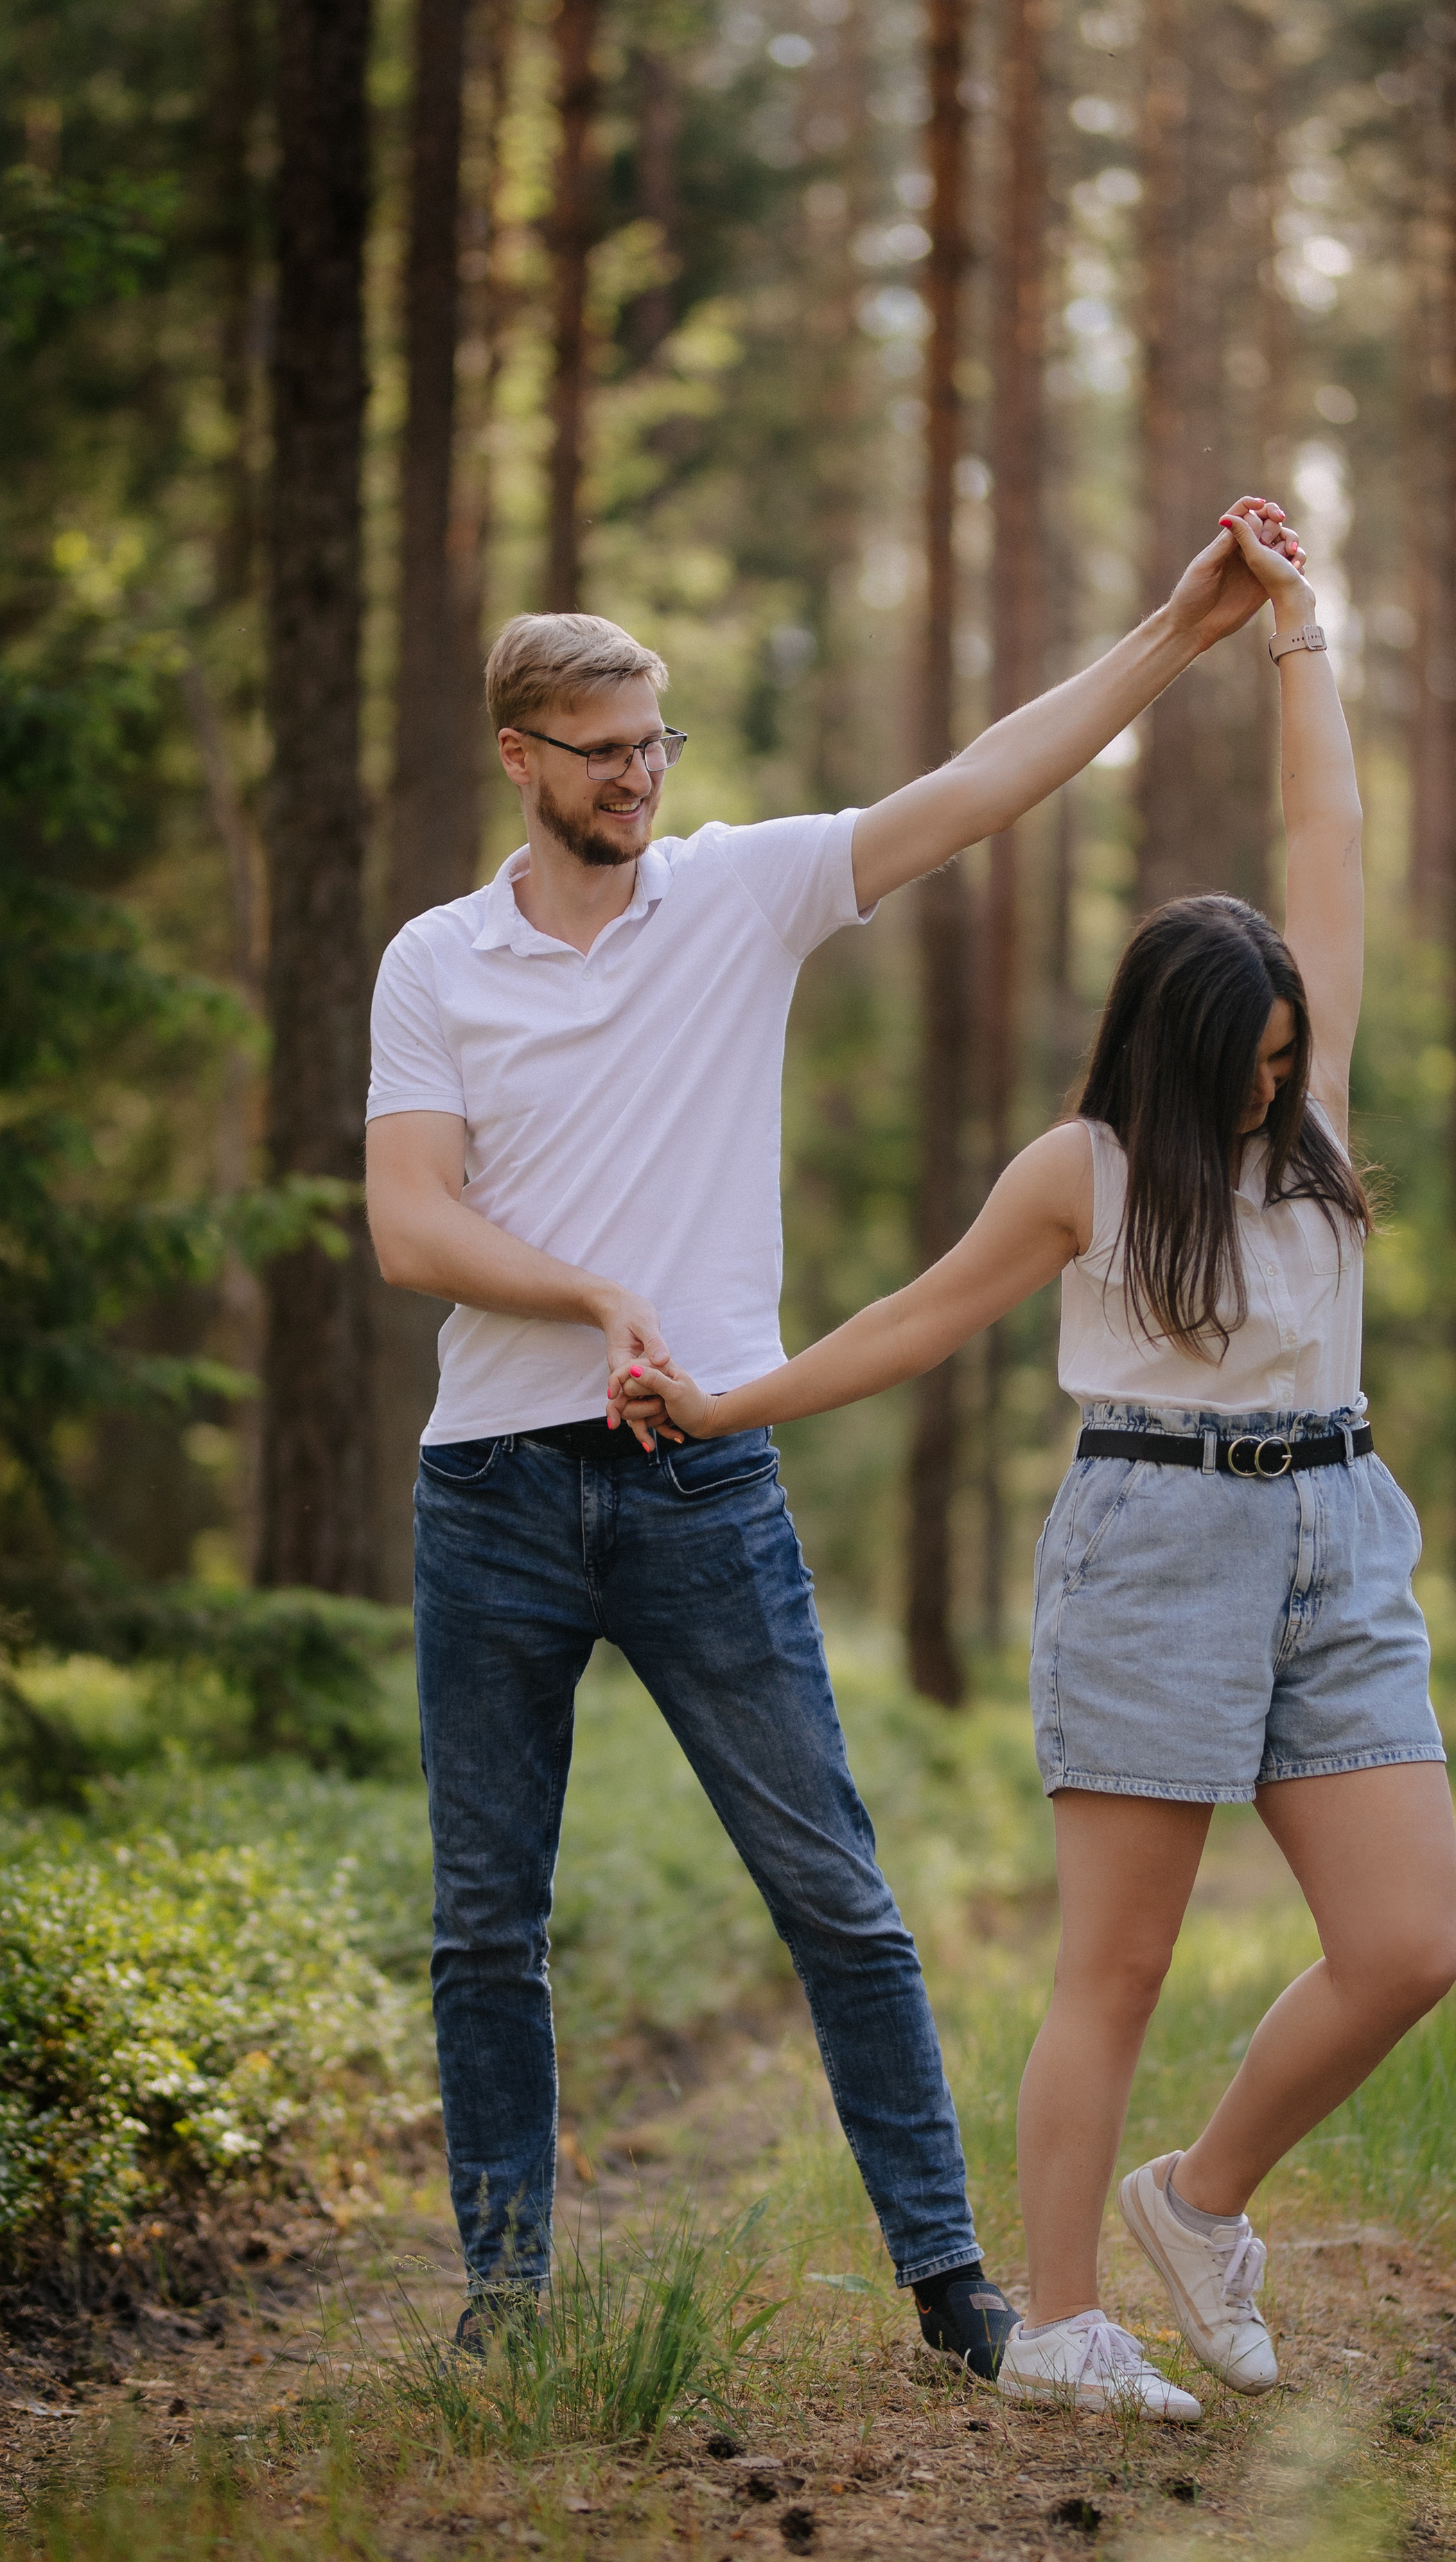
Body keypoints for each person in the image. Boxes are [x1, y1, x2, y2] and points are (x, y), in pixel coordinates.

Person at [362, 493, 1304, 2364]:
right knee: (485, 1923)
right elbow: (410, 1224)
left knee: (840, 1901)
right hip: (491, 1492)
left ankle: (955, 2288)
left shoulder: (741, 892)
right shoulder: (436, 962)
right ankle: (505, 2304)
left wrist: (1183, 632)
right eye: (603, 752)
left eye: (656, 744)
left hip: (698, 1483)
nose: (640, 777)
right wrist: (589, 1294)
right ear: (520, 758)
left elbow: (982, 786)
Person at [616, 508, 1456, 2420]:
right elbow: (916, 1318)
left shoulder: (1315, 1114)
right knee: (1118, 1966)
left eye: (1287, 1060)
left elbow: (1328, 844)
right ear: (1170, 1055)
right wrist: (728, 1402)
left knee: (1409, 1944)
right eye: (1245, 1069)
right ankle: (1061, 2324)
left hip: (1338, 1527)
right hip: (1154, 1538)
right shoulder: (1084, 1173)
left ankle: (1202, 2202)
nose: (1274, 1088)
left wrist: (1297, 636)